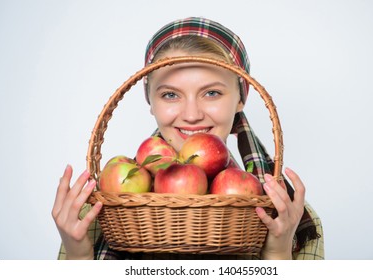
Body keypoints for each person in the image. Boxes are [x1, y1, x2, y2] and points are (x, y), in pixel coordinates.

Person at [52, 17, 324, 260]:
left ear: (240, 100)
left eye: (212, 93)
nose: (192, 115)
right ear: (151, 103)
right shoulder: (103, 207)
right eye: (170, 94)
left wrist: (277, 253)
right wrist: (79, 256)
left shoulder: (286, 213)